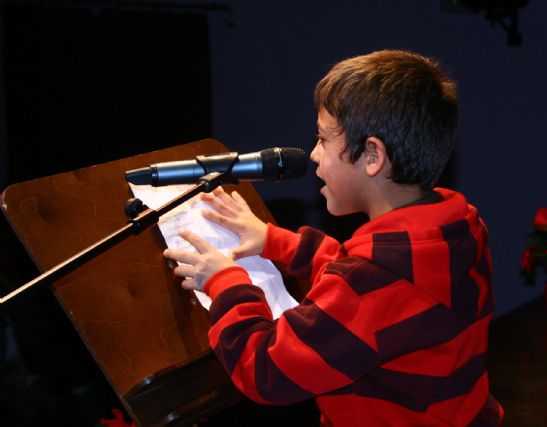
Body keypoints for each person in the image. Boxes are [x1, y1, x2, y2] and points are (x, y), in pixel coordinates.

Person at [163, 49, 503, 426]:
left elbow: (267, 371)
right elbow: (372, 287)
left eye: (324, 139)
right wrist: (276, 241)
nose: (312, 155)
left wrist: (225, 283)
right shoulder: (456, 229)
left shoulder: (375, 277)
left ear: (372, 155)